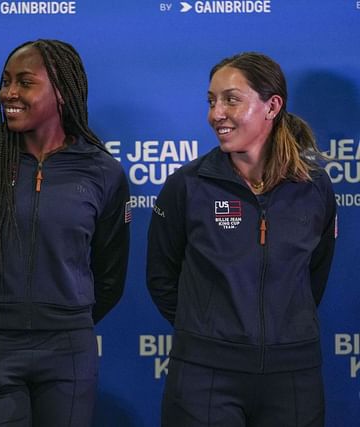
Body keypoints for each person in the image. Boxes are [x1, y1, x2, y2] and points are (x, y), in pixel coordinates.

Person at [0, 39, 130, 426]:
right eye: (6, 82)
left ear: (62, 93)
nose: (9, 93)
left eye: (25, 82)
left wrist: (64, 319)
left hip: (68, 350)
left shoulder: (102, 171)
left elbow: (110, 276)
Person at [146, 52, 336, 427]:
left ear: (272, 106)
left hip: (293, 377)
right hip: (204, 377)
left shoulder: (315, 188)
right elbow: (162, 279)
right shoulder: (187, 186)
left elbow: (314, 276)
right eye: (212, 101)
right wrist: (210, 334)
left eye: (231, 99)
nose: (216, 114)